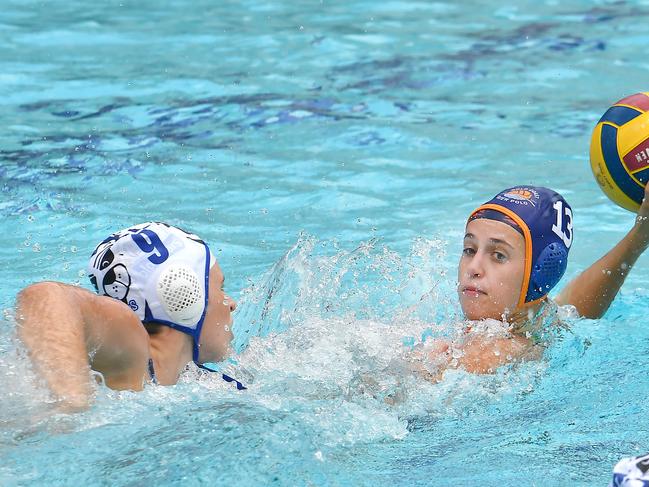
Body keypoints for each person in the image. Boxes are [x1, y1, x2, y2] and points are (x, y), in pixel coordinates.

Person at [415, 184, 649, 380]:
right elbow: (573, 308)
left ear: (541, 271)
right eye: (469, 249)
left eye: (498, 255)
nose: (474, 268)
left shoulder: (485, 356)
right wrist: (640, 235)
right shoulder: (540, 327)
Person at [15, 222, 243, 411]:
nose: (231, 304)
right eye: (220, 288)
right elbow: (45, 295)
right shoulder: (133, 351)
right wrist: (68, 406)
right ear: (183, 292)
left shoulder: (205, 384)